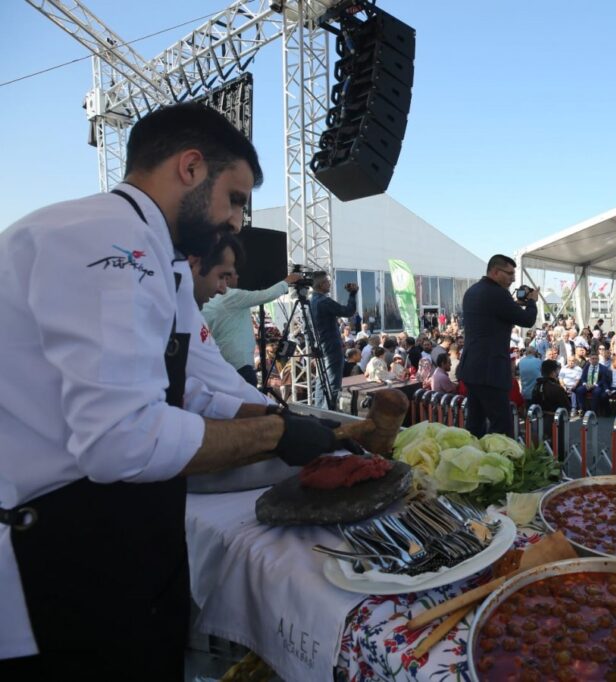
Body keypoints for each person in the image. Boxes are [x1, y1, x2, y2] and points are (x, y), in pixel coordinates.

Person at [0, 103, 340, 678]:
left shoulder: (163, 258)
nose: (237, 221)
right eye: (234, 197)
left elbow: (197, 387)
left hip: (128, 531)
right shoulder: (108, 239)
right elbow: (122, 440)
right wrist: (276, 431)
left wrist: (294, 421)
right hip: (57, 551)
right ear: (190, 167)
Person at [459, 255, 538, 437]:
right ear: (495, 272)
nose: (513, 279)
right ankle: (497, 462)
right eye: (509, 274)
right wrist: (532, 301)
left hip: (472, 368)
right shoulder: (497, 293)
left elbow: (491, 318)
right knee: (501, 427)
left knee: (475, 425)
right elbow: (527, 319)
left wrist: (513, 305)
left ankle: (474, 461)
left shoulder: (472, 291)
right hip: (490, 371)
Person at [202, 250, 302, 386]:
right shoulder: (231, 297)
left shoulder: (207, 300)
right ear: (226, 278)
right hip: (240, 366)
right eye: (234, 274)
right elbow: (265, 295)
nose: (238, 278)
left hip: (222, 364)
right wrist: (287, 281)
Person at [309, 272, 358, 408]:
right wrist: (352, 294)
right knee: (332, 383)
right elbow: (348, 311)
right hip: (331, 346)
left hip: (320, 346)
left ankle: (319, 411)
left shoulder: (310, 302)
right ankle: (328, 414)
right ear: (320, 284)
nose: (329, 283)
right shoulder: (324, 301)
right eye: (327, 281)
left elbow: (307, 328)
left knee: (322, 381)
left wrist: (312, 347)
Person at [574, 351, 611, 416]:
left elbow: (603, 380)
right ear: (590, 360)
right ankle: (582, 409)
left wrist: (595, 385)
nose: (594, 360)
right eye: (592, 359)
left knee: (597, 392)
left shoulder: (603, 368)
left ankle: (593, 411)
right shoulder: (586, 366)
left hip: (597, 385)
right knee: (579, 390)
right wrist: (585, 384)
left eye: (596, 358)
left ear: (598, 359)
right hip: (587, 384)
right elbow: (583, 377)